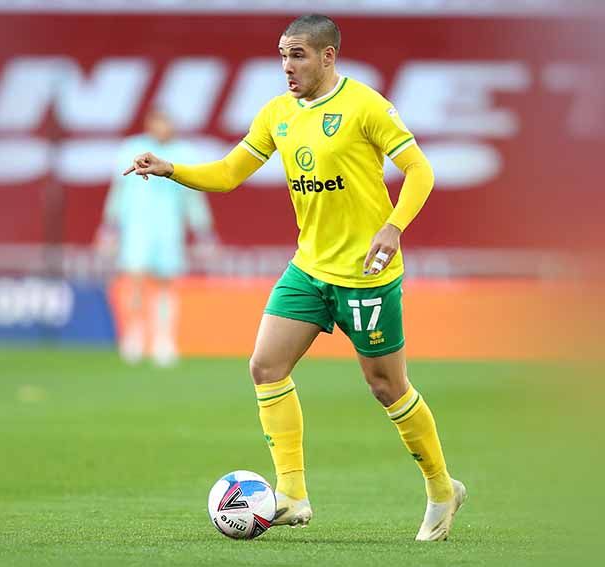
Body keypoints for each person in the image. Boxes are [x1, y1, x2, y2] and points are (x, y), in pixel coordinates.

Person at [124, 14, 465, 541]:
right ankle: (292, 494)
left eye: (299, 54)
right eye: (283, 54)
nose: (287, 65)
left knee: (386, 386)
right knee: (265, 365)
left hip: (366, 275)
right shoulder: (277, 115)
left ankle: (442, 489)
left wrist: (393, 228)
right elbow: (230, 173)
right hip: (309, 267)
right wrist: (173, 169)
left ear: (328, 56)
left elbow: (421, 171)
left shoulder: (365, 106)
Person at [97, 108, 216, 367]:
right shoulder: (132, 149)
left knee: (165, 283)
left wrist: (203, 230)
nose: (162, 127)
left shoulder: (184, 153)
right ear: (149, 123)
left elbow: (193, 195)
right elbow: (119, 191)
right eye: (157, 122)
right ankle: (135, 334)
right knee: (136, 280)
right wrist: (109, 227)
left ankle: (164, 339)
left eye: (166, 122)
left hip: (168, 228)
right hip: (137, 227)